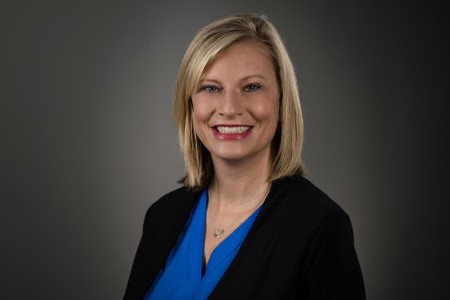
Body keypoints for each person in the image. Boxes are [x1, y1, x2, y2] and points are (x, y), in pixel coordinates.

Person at [123, 13, 365, 299]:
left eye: (251, 87)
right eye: (211, 88)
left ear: (282, 101)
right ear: (190, 103)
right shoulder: (161, 217)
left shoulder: (321, 228)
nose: (229, 107)